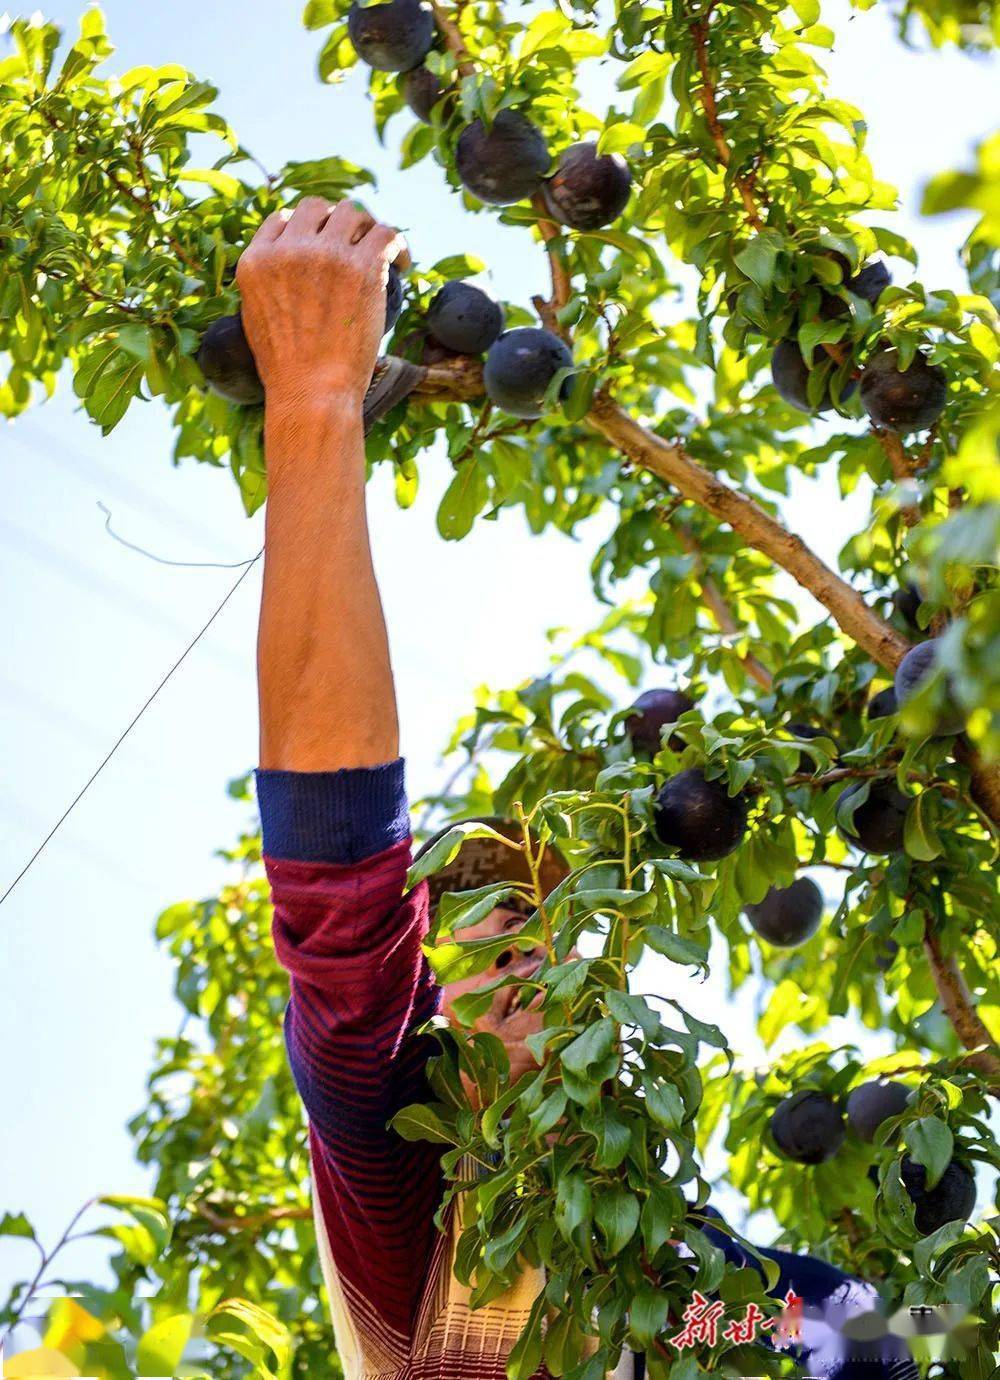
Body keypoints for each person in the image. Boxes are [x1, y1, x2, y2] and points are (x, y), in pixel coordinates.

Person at [241, 198, 919, 1380]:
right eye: (484, 944)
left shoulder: (678, 1286)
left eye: (544, 948)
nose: (518, 968)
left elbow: (865, 1337)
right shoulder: (415, 1209)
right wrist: (311, 404)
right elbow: (342, 896)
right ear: (435, 1011)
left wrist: (858, 1329)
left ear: (599, 1012)